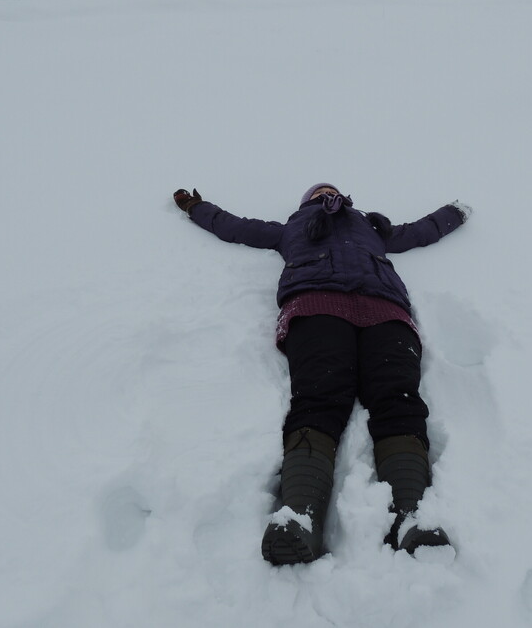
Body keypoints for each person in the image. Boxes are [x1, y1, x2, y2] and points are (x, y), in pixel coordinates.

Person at [172, 183, 472, 565]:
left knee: (399, 399)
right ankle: (301, 518)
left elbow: (418, 232)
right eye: (318, 192)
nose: (325, 194)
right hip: (317, 304)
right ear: (305, 202)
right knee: (318, 400)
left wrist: (454, 212)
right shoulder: (290, 229)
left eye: (331, 189)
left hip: (386, 310)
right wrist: (196, 207)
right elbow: (236, 226)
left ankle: (412, 518)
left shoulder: (372, 226)